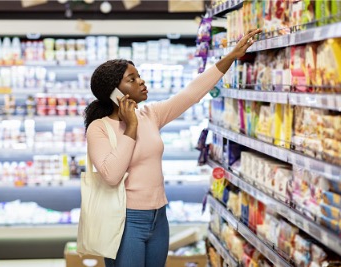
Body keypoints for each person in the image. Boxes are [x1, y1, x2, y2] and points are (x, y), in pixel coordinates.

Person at [83, 29, 261, 267]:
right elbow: (112, 175)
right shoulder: (99, 128)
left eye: (139, 75)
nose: (141, 81)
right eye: (132, 79)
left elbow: (192, 93)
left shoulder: (150, 114)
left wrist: (231, 56)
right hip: (125, 220)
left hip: (159, 217)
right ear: (115, 94)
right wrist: (131, 126)